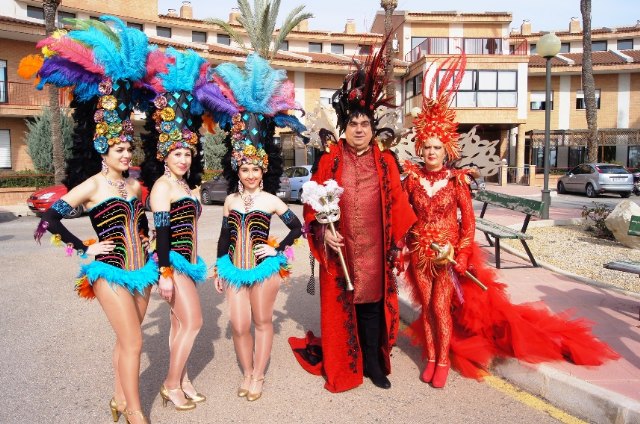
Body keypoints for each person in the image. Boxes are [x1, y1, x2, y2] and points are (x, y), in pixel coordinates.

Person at [402, 53, 618, 388]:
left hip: (447, 255)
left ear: (446, 151)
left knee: (441, 308)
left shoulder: (458, 182)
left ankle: (442, 360)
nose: (431, 152)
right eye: (427, 147)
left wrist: (461, 254)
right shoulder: (412, 180)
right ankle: (430, 356)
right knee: (426, 307)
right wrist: (402, 243)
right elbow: (403, 215)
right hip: (420, 253)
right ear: (421, 148)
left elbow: (468, 223)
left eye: (437, 147)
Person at [25, 17, 157, 424]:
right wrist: (85, 246)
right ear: (103, 149)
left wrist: (149, 240)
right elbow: (49, 219)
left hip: (142, 269)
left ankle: (118, 398)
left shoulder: (134, 185)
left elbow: (142, 222)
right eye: (118, 149)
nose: (126, 155)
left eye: (128, 149)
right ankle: (135, 412)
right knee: (134, 342)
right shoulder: (91, 186)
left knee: (128, 339)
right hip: (108, 270)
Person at [292, 44, 417, 393]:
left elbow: (399, 203)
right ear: (345, 127)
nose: (359, 129)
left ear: (373, 128)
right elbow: (312, 203)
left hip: (374, 250)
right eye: (353, 123)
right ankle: (349, 361)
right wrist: (323, 232)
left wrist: (399, 243)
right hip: (341, 250)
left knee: (372, 307)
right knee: (344, 306)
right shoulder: (330, 160)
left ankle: (373, 365)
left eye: (364, 124)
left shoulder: (386, 162)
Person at [210, 53, 304, 402]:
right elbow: (224, 237)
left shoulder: (272, 201)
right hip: (234, 268)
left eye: (255, 169)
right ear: (238, 170)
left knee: (262, 322)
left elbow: (298, 228)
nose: (250, 175)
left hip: (264, 269)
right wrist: (219, 267)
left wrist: (276, 249)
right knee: (238, 324)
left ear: (264, 171)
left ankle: (258, 375)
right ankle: (247, 369)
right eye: (245, 169)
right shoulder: (231, 201)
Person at [140, 48, 208, 412]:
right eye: (177, 154)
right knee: (194, 322)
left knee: (178, 323)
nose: (183, 159)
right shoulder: (163, 187)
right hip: (173, 262)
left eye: (187, 154)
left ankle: (183, 378)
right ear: (164, 154)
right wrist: (165, 273)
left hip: (188, 261)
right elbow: (162, 233)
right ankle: (170, 384)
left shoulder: (184, 186)